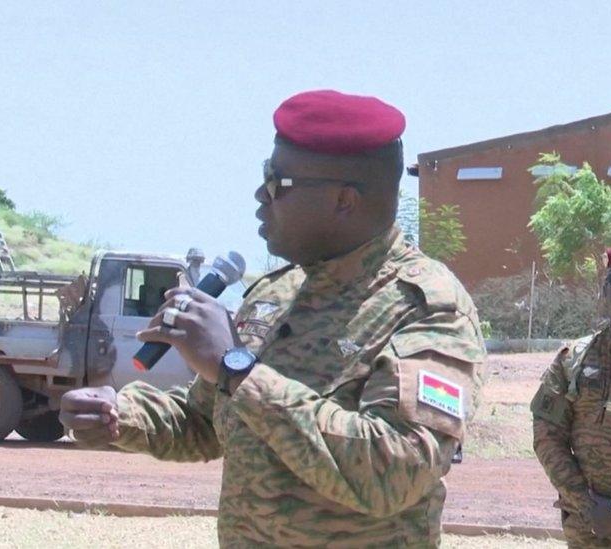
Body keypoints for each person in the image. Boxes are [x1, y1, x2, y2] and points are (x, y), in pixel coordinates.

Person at [59, 90, 487, 547]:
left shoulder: (427, 307)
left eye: (278, 183)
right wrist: (118, 414)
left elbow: (395, 471)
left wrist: (236, 367)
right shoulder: (275, 293)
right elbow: (208, 421)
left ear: (345, 200)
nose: (261, 196)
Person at [532, 248, 611, 547]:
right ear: (604, 293)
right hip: (587, 525)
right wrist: (589, 507)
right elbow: (547, 435)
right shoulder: (572, 359)